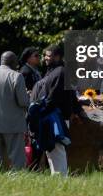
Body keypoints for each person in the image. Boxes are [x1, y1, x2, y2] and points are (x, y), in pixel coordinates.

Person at [31, 44, 85, 175]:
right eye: (45, 55)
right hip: (53, 117)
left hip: (56, 118)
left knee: (57, 151)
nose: (45, 58)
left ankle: (61, 181)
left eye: (48, 56)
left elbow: (52, 98)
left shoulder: (60, 72)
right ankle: (58, 180)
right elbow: (71, 95)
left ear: (58, 56)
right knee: (53, 152)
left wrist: (39, 111)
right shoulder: (54, 71)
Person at [0, 51, 29, 171]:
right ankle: (19, 182)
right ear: (13, 62)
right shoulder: (16, 76)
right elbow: (23, 101)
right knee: (16, 158)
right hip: (12, 125)